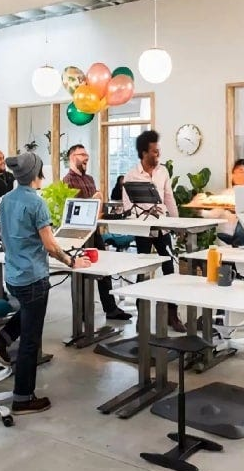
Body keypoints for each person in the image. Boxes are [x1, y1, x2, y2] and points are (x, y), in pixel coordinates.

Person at [0, 151, 91, 415]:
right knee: (30, 340)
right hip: (33, 277)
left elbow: (5, 236)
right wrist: (72, 261)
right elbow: (50, 245)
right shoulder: (36, 203)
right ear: (37, 173)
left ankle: (1, 340)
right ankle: (23, 398)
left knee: (27, 312)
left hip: (13, 276)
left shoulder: (6, 200)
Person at [122, 130, 185, 332]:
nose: (158, 154)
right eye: (154, 151)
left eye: (158, 151)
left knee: (169, 270)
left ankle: (172, 315)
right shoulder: (131, 175)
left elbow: (169, 198)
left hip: (162, 228)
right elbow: (127, 206)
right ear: (144, 153)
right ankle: (141, 316)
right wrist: (141, 218)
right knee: (143, 273)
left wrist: (176, 223)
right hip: (143, 230)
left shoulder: (163, 172)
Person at [62, 144, 132, 320]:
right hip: (78, 234)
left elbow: (96, 208)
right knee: (81, 272)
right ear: (72, 157)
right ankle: (82, 313)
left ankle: (110, 308)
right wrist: (94, 199)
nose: (86, 157)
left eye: (86, 154)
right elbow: (75, 208)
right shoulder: (67, 181)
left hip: (94, 231)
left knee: (103, 268)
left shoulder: (89, 179)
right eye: (81, 154)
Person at [214, 159, 244, 245]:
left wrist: (238, 211)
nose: (239, 175)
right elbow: (215, 213)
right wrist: (200, 211)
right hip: (225, 235)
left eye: (242, 171)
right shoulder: (226, 193)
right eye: (235, 172)